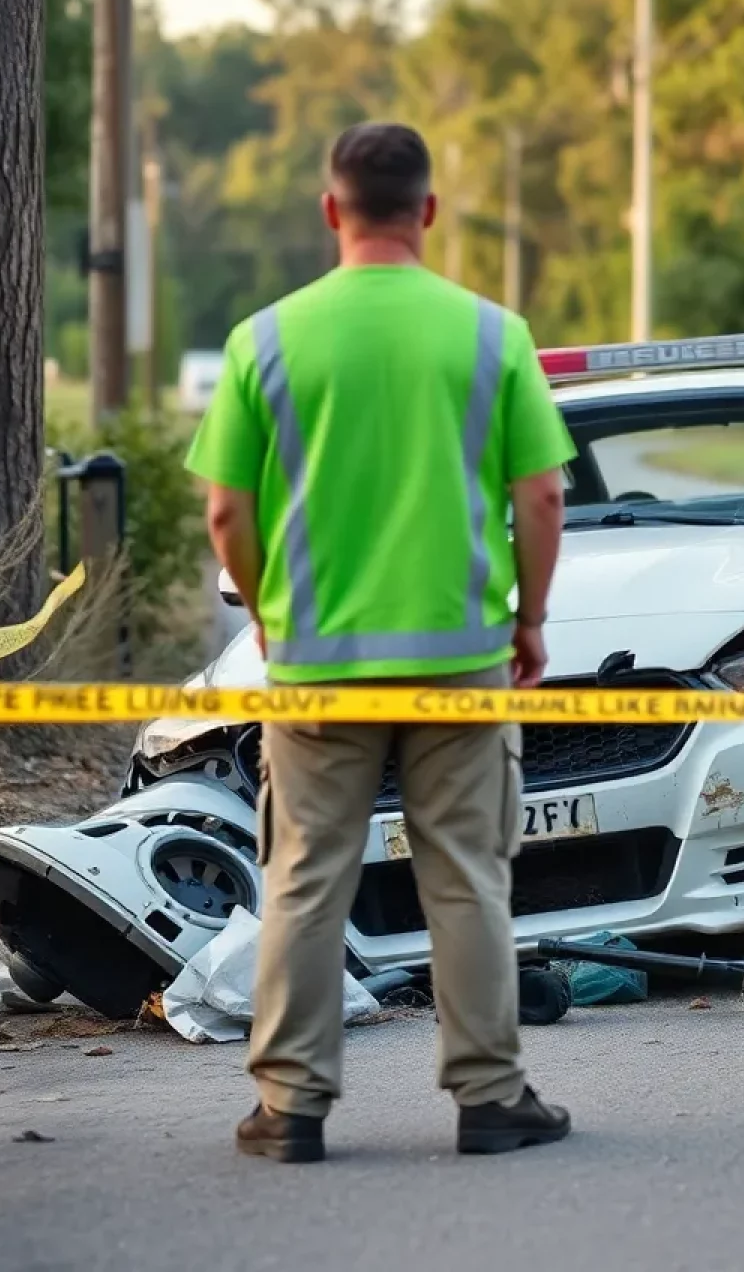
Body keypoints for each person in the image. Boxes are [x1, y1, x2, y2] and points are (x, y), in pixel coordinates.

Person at [185, 121, 577, 1161]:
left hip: (317, 667)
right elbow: (541, 494)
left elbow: (226, 513)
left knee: (307, 878)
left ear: (331, 210)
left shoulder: (265, 340)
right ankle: (491, 1099)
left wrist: (270, 613)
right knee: (466, 877)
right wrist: (529, 619)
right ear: (429, 211)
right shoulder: (492, 334)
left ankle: (291, 1109)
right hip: (460, 661)